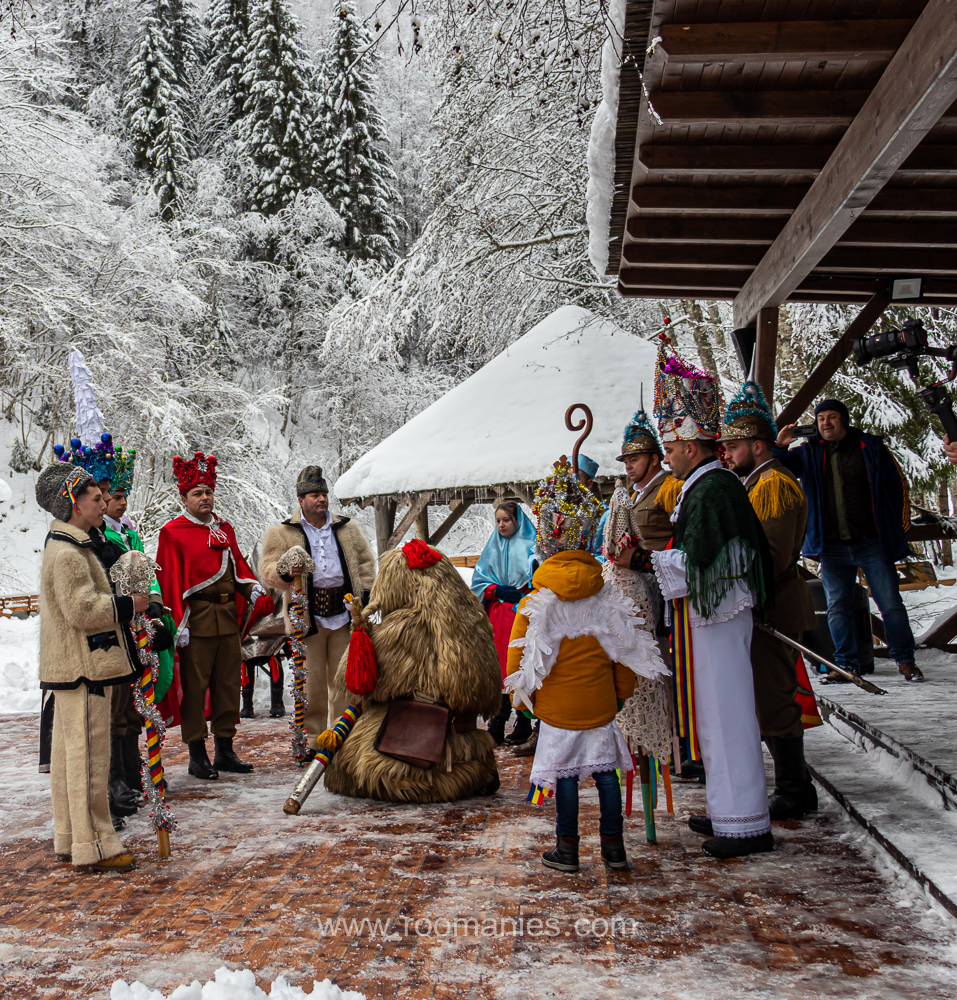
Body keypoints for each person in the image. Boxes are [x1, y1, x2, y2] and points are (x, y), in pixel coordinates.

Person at [505, 458, 668, 874]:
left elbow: (518, 664)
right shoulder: (606, 597)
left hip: (557, 712)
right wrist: (617, 697)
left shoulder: (534, 604)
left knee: (565, 778)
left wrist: (529, 706)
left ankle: (568, 848)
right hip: (599, 706)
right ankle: (614, 848)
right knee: (606, 774)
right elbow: (626, 655)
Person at [648, 338, 775, 858]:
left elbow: (707, 559)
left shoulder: (713, 487)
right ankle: (730, 809)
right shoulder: (706, 485)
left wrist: (651, 558)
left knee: (728, 713)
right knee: (717, 713)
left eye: (671, 448)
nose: (667, 456)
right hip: (713, 616)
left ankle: (745, 823)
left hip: (720, 615)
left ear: (692, 446)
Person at [35, 462, 148, 873]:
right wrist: (128, 606)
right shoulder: (68, 553)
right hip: (85, 672)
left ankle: (70, 837)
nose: (104, 503)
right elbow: (83, 609)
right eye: (95, 497)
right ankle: (96, 844)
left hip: (74, 670)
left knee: (70, 759)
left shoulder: (68, 545)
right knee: (88, 760)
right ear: (73, 502)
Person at [723, 380, 818, 820]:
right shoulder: (754, 482)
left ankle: (795, 789)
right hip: (762, 603)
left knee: (776, 697)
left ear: (758, 447)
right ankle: (790, 784)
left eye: (735, 445)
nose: (727, 452)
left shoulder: (773, 484)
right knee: (767, 695)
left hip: (773, 603)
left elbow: (773, 557)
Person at [775, 400, 921, 682]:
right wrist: (780, 445)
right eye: (820, 419)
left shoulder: (872, 448)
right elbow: (778, 468)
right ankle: (845, 665)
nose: (826, 423)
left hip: (872, 543)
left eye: (832, 417)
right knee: (837, 608)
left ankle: (905, 661)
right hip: (831, 548)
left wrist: (898, 530)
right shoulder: (808, 452)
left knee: (890, 604)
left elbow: (898, 486)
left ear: (844, 420)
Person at [156, 451, 273, 779]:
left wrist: (252, 589)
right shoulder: (172, 533)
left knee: (227, 685)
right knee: (194, 688)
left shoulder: (224, 528)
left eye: (208, 491)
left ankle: (224, 749)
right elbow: (169, 582)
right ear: (184, 498)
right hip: (196, 622)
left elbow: (238, 570)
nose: (205, 497)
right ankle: (197, 755)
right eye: (197, 493)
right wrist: (177, 623)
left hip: (226, 621)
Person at [258, 466, 375, 758]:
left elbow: (365, 564)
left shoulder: (348, 529)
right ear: (301, 500)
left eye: (323, 494)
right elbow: (267, 572)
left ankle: (343, 737)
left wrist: (367, 597)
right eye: (314, 495)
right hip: (306, 617)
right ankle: (312, 739)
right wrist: (285, 571)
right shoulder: (282, 533)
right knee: (311, 683)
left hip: (344, 614)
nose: (321, 499)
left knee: (345, 680)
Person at [602, 398, 681, 772]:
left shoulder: (669, 488)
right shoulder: (630, 495)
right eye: (626, 460)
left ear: (654, 458)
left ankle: (678, 739)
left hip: (664, 584)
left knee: (669, 665)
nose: (629, 466)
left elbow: (677, 538)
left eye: (635, 458)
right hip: (638, 588)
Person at [470, 499, 536, 745]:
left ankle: (524, 720)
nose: (501, 525)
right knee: (500, 667)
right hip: (497, 617)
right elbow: (479, 580)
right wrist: (494, 590)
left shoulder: (531, 545)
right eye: (498, 521)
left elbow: (539, 577)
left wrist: (524, 591)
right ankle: (497, 721)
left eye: (506, 520)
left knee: (520, 664)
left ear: (517, 520)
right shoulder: (492, 546)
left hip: (522, 613)